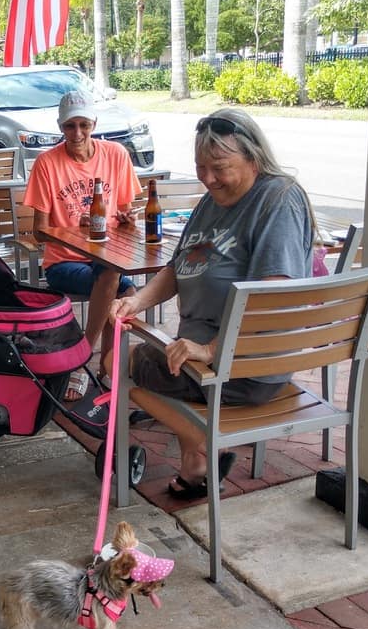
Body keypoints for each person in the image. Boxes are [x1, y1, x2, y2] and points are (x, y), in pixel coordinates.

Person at [108, 108, 317, 496]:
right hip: (205, 357)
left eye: (218, 167)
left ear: (253, 157)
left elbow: (273, 298)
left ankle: (203, 445)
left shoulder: (278, 199)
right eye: (200, 167)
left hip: (243, 366)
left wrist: (209, 348)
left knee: (118, 364)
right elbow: (179, 266)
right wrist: (137, 301)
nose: (207, 178)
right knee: (144, 359)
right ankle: (197, 460)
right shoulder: (212, 200)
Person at [23, 90, 140, 401]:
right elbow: (38, 232)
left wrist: (127, 219)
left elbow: (127, 213)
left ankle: (105, 366)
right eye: (69, 126)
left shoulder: (116, 155)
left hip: (108, 258)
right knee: (115, 281)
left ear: (95, 123)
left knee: (126, 293)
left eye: (84, 125)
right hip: (63, 263)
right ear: (60, 127)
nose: (77, 134)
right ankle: (82, 359)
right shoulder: (47, 163)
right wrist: (77, 229)